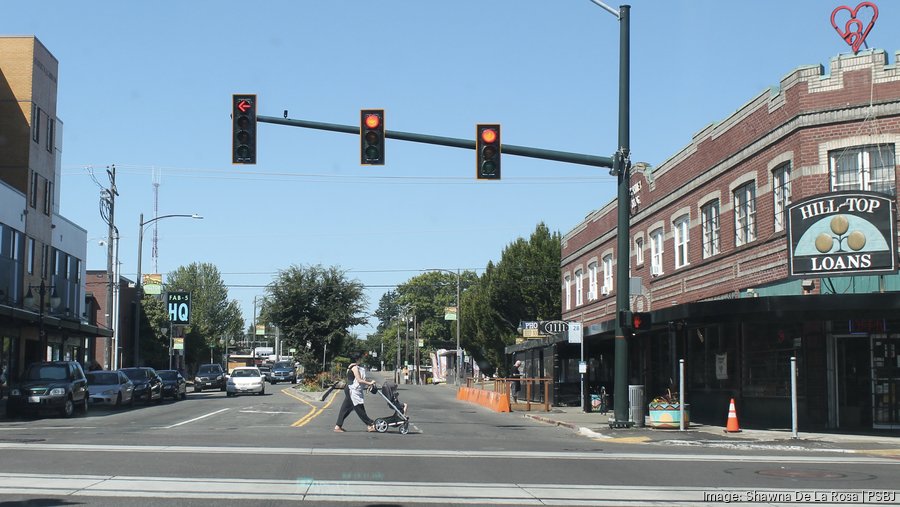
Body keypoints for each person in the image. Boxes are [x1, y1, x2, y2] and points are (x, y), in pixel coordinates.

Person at [334, 353, 377, 433]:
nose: (361, 360)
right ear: (357, 359)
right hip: (352, 390)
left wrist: (367, 383)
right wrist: (369, 383)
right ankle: (370, 424)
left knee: (346, 408)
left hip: (351, 389)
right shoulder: (354, 368)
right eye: (360, 358)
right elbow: (359, 379)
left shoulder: (353, 366)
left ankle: (338, 426)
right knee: (359, 407)